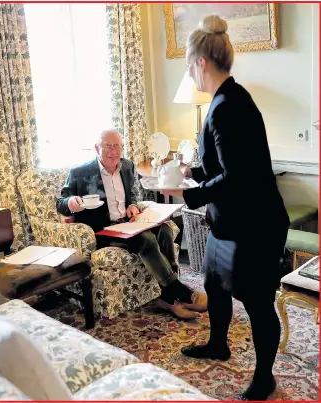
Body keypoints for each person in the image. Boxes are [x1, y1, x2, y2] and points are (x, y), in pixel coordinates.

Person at [161, 15, 290, 401]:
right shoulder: (226, 99)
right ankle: (219, 344)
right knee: (215, 285)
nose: (189, 71)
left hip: (255, 227)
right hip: (230, 222)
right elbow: (226, 162)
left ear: (201, 62)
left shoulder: (227, 107)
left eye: (188, 64)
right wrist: (194, 170)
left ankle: (264, 378)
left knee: (258, 303)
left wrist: (192, 194)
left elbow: (238, 177)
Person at [56, 129, 208, 319]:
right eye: (108, 147)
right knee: (146, 239)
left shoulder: (128, 166)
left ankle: (168, 298)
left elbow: (136, 194)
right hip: (104, 230)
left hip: (128, 224)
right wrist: (71, 204)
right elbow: (60, 203)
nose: (113, 151)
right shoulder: (79, 172)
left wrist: (134, 206)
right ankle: (181, 292)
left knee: (165, 231)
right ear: (96, 148)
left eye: (117, 146)